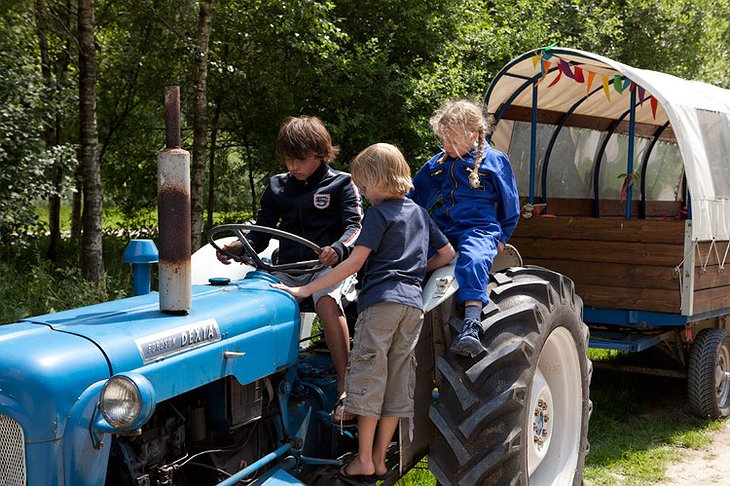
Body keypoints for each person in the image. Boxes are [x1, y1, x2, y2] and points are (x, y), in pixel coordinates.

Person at [271, 143, 455, 485]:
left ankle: (364, 460)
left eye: (365, 186)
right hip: (412, 307)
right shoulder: (419, 213)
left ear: (379, 181)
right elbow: (446, 253)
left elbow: (354, 262)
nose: (365, 193)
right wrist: (416, 272)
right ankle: (382, 461)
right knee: (396, 384)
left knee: (368, 381)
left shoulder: (379, 215)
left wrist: (305, 290)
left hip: (381, 304)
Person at [217, 115, 362, 422]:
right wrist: (238, 246)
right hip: (288, 267)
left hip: (328, 268)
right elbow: (261, 233)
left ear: (321, 153)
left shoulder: (341, 183)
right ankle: (261, 382)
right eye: (287, 159)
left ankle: (345, 386)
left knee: (325, 299)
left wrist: (337, 250)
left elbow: (355, 227)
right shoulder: (278, 186)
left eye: (300, 159)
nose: (293, 167)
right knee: (255, 301)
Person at [409, 99, 520, 358]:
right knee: (417, 252)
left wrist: (502, 236)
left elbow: (510, 205)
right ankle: (408, 307)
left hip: (480, 228)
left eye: (452, 141)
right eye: (443, 139)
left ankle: (472, 321)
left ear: (472, 135)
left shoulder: (494, 161)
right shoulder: (439, 162)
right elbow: (415, 198)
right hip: (446, 227)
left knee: (474, 258)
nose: (446, 146)